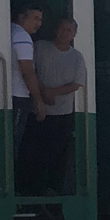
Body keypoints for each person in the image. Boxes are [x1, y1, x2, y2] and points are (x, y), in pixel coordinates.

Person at [24, 16, 87, 194]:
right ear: (55, 29)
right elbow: (30, 71)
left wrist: (53, 93)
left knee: (58, 156)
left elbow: (77, 84)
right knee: (34, 154)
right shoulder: (40, 47)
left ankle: (53, 191)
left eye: (69, 30)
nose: (64, 33)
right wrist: (43, 93)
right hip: (37, 111)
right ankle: (32, 190)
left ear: (74, 34)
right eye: (62, 28)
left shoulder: (77, 57)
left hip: (63, 115)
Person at [8, 5, 45, 165]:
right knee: (13, 142)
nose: (39, 23)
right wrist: (38, 100)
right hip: (19, 97)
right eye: (35, 18)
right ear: (22, 17)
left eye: (41, 19)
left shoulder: (9, 31)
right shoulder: (22, 37)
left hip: (9, 95)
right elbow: (27, 71)